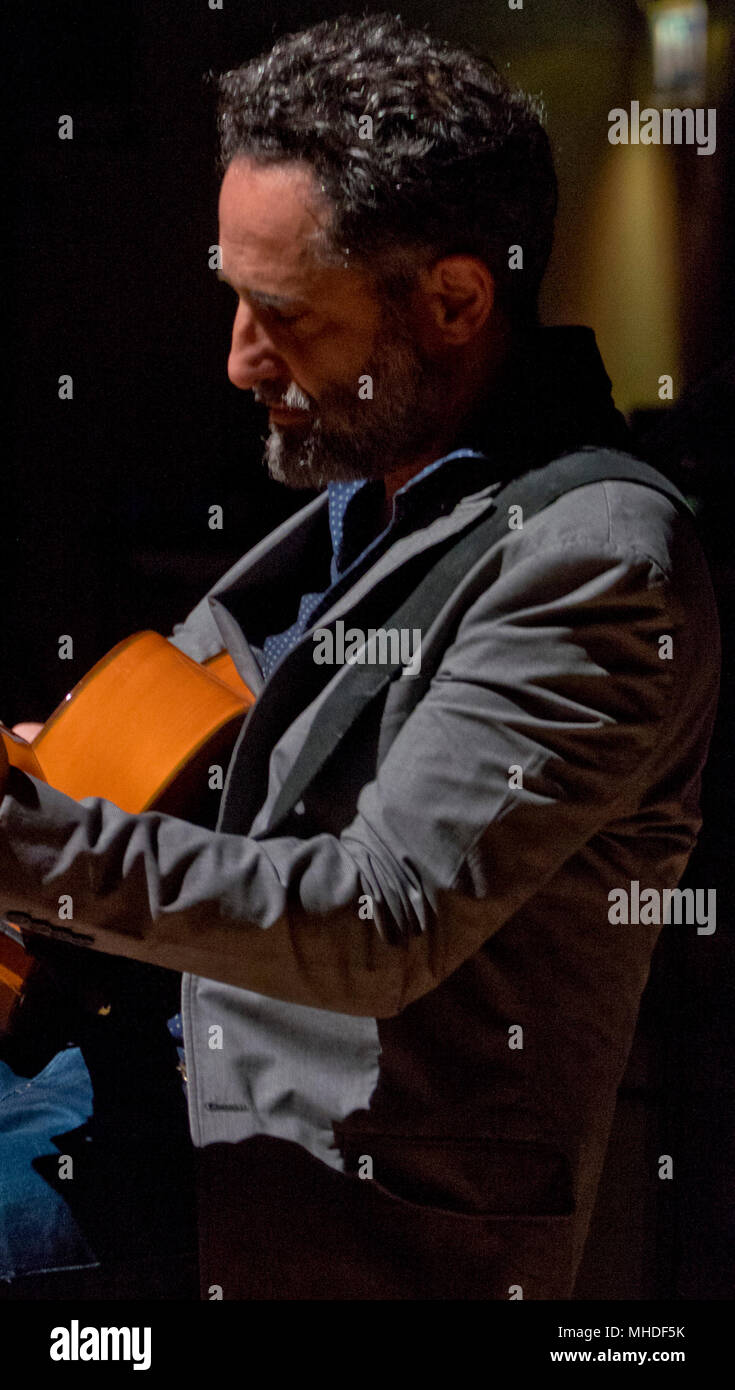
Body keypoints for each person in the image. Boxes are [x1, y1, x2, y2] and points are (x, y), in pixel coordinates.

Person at [0, 14, 721, 1300]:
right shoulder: (372, 499)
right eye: (232, 295)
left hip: (302, 1213)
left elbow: (382, 915)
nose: (238, 359)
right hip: (111, 1098)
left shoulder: (598, 558)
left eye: (283, 316)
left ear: (453, 300)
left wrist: (30, 848)